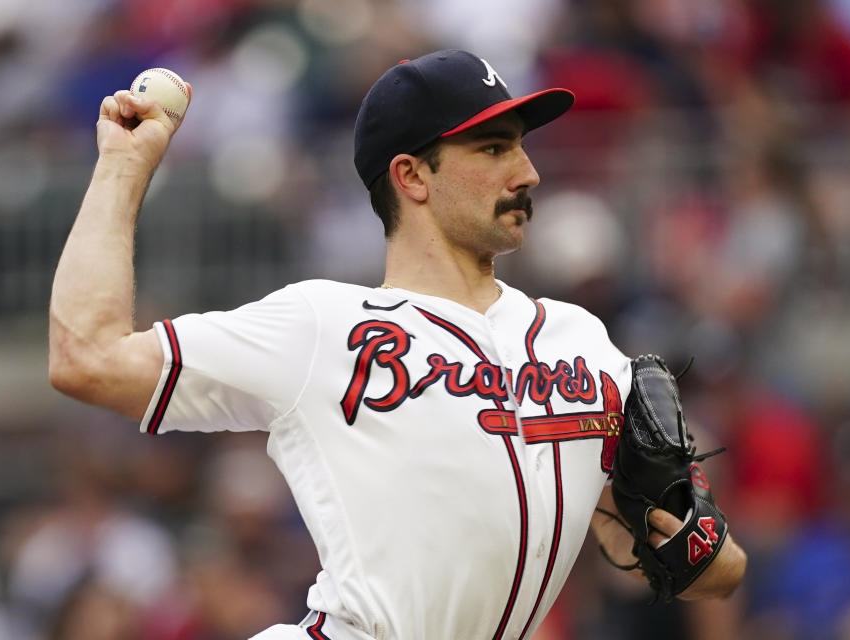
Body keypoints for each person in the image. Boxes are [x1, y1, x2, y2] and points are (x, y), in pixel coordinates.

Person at [49, 49, 746, 639]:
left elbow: (713, 573)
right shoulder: (324, 324)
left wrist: (688, 524)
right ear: (411, 176)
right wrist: (124, 167)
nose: (528, 171)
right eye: (494, 148)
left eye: (523, 145)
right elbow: (88, 357)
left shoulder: (585, 344)